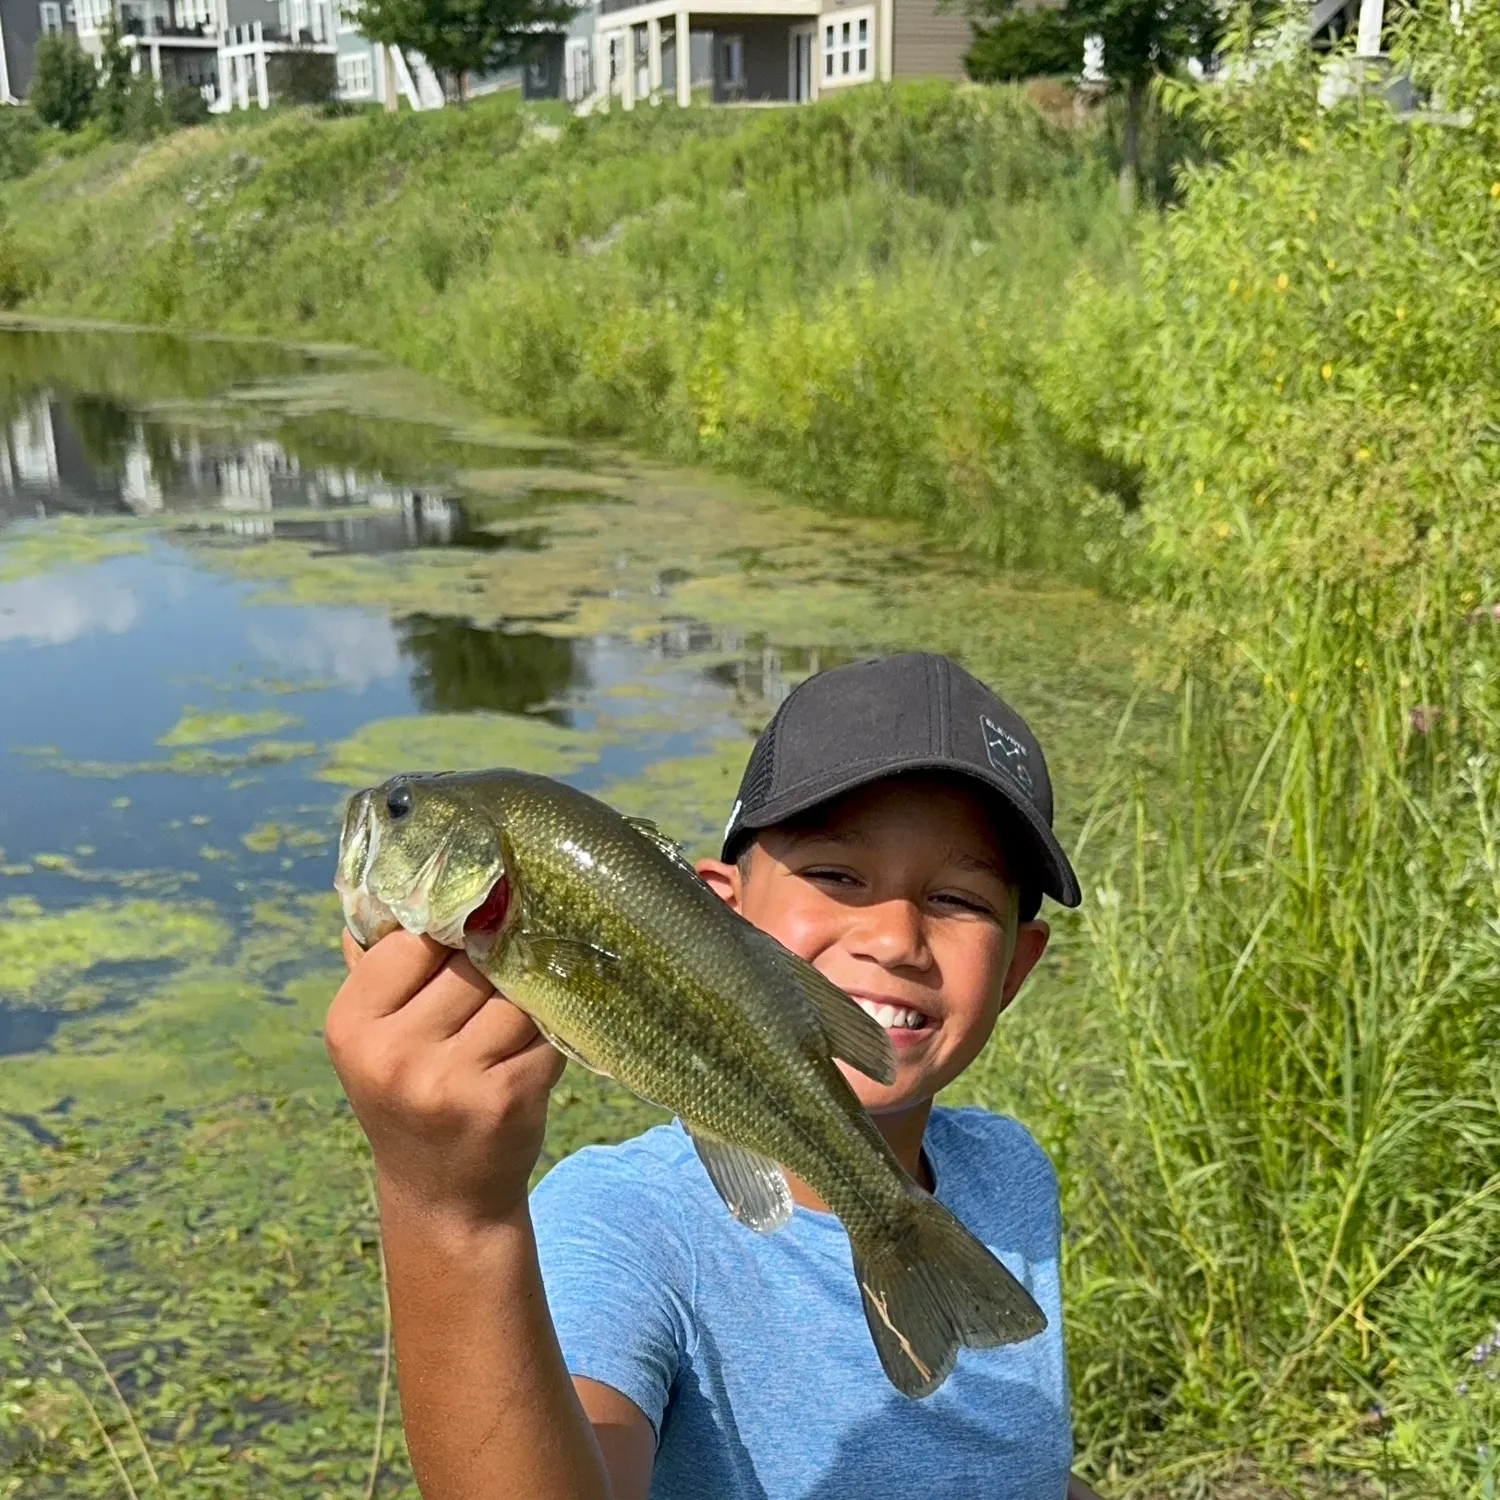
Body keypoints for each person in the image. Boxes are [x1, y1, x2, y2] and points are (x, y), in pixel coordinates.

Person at [326, 651, 1106, 1500]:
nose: (894, 938)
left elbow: (1008, 1465)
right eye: (837, 875)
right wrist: (451, 1213)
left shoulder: (1009, 1170)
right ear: (716, 911)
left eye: (959, 899)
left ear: (1016, 969)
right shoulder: (626, 1225)